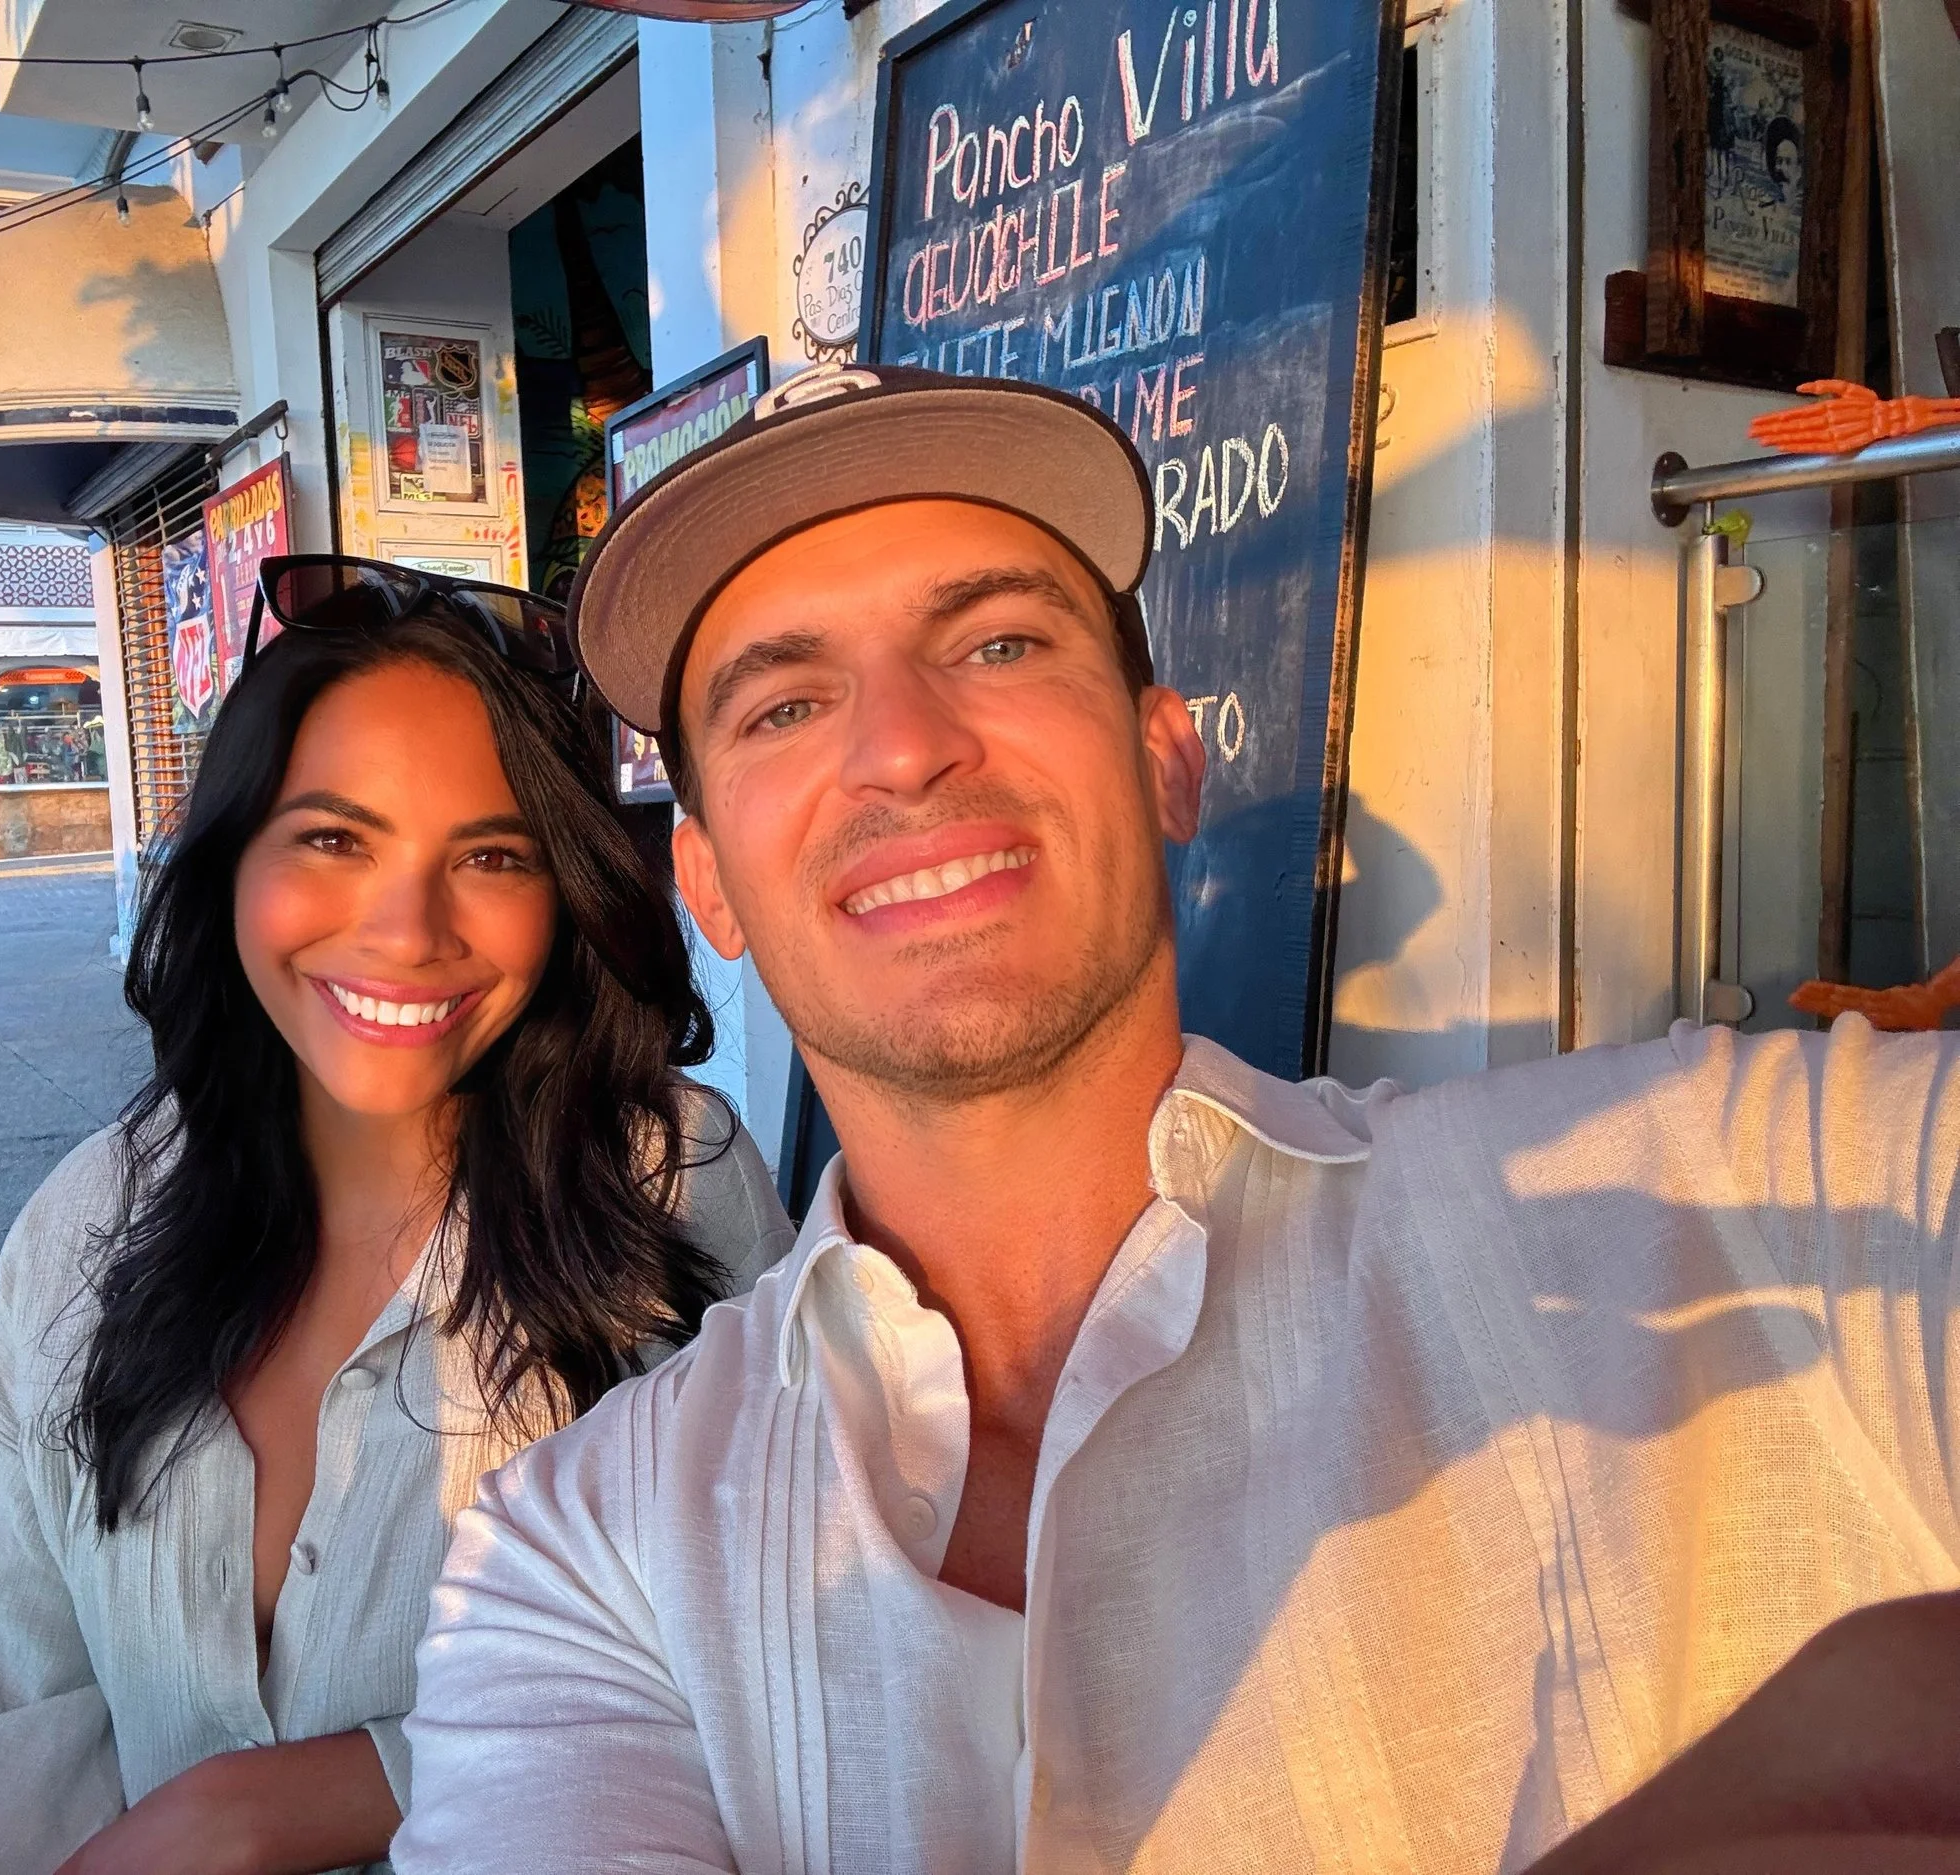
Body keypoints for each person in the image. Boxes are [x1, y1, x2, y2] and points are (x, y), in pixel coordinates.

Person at [394, 365, 1960, 1873]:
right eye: (788, 703)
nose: (902, 743)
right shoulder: (582, 1560)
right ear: (712, 886)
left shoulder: (1755, 1175)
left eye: (1000, 645)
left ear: (1167, 758)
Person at [0, 557, 793, 1875]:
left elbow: (780, 1666)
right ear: (234, 864)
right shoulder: (80, 1233)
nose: (409, 930)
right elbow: (22, 1696)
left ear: (565, 894)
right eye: (334, 837)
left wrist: (295, 1798)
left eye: (493, 854)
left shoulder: (665, 1185)